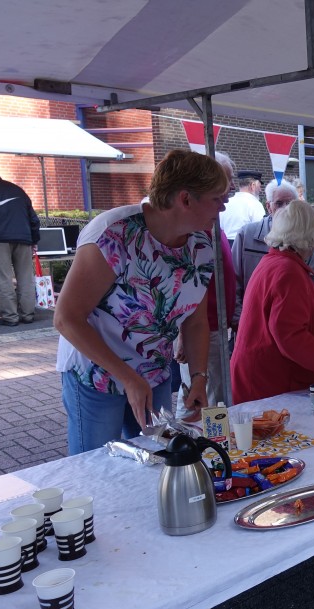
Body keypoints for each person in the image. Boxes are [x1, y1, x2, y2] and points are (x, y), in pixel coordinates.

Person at [54, 149, 227, 454]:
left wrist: (199, 378)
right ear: (185, 199)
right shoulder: (114, 234)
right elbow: (67, 318)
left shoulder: (200, 244)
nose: (223, 206)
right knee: (97, 466)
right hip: (97, 375)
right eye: (216, 198)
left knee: (157, 458)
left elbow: (196, 321)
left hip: (153, 372)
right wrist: (127, 378)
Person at [231, 201, 314, 403]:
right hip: (271, 381)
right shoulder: (287, 271)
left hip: (262, 376)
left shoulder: (274, 263)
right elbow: (291, 336)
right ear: (309, 237)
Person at [174, 151, 238, 418]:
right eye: (224, 184)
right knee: (205, 402)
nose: (227, 195)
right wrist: (181, 335)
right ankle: (198, 449)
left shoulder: (211, 223)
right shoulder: (194, 227)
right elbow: (181, 285)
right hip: (203, 329)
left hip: (215, 326)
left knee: (209, 396)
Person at [232, 180, 314, 329]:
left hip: (290, 320)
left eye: (290, 204)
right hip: (251, 321)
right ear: (269, 206)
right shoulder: (247, 234)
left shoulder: (304, 240)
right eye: (279, 204)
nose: (285, 209)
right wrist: (239, 318)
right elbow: (235, 279)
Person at [0, 162, 39, 326]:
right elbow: (33, 218)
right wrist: (34, 239)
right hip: (24, 239)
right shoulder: (16, 189)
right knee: (26, 278)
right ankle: (28, 314)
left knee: (3, 279)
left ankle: (10, 316)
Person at [219, 170, 265, 242]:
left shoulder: (226, 203)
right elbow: (261, 230)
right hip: (244, 247)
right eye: (259, 186)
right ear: (253, 186)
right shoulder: (255, 204)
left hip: (224, 246)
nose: (260, 190)